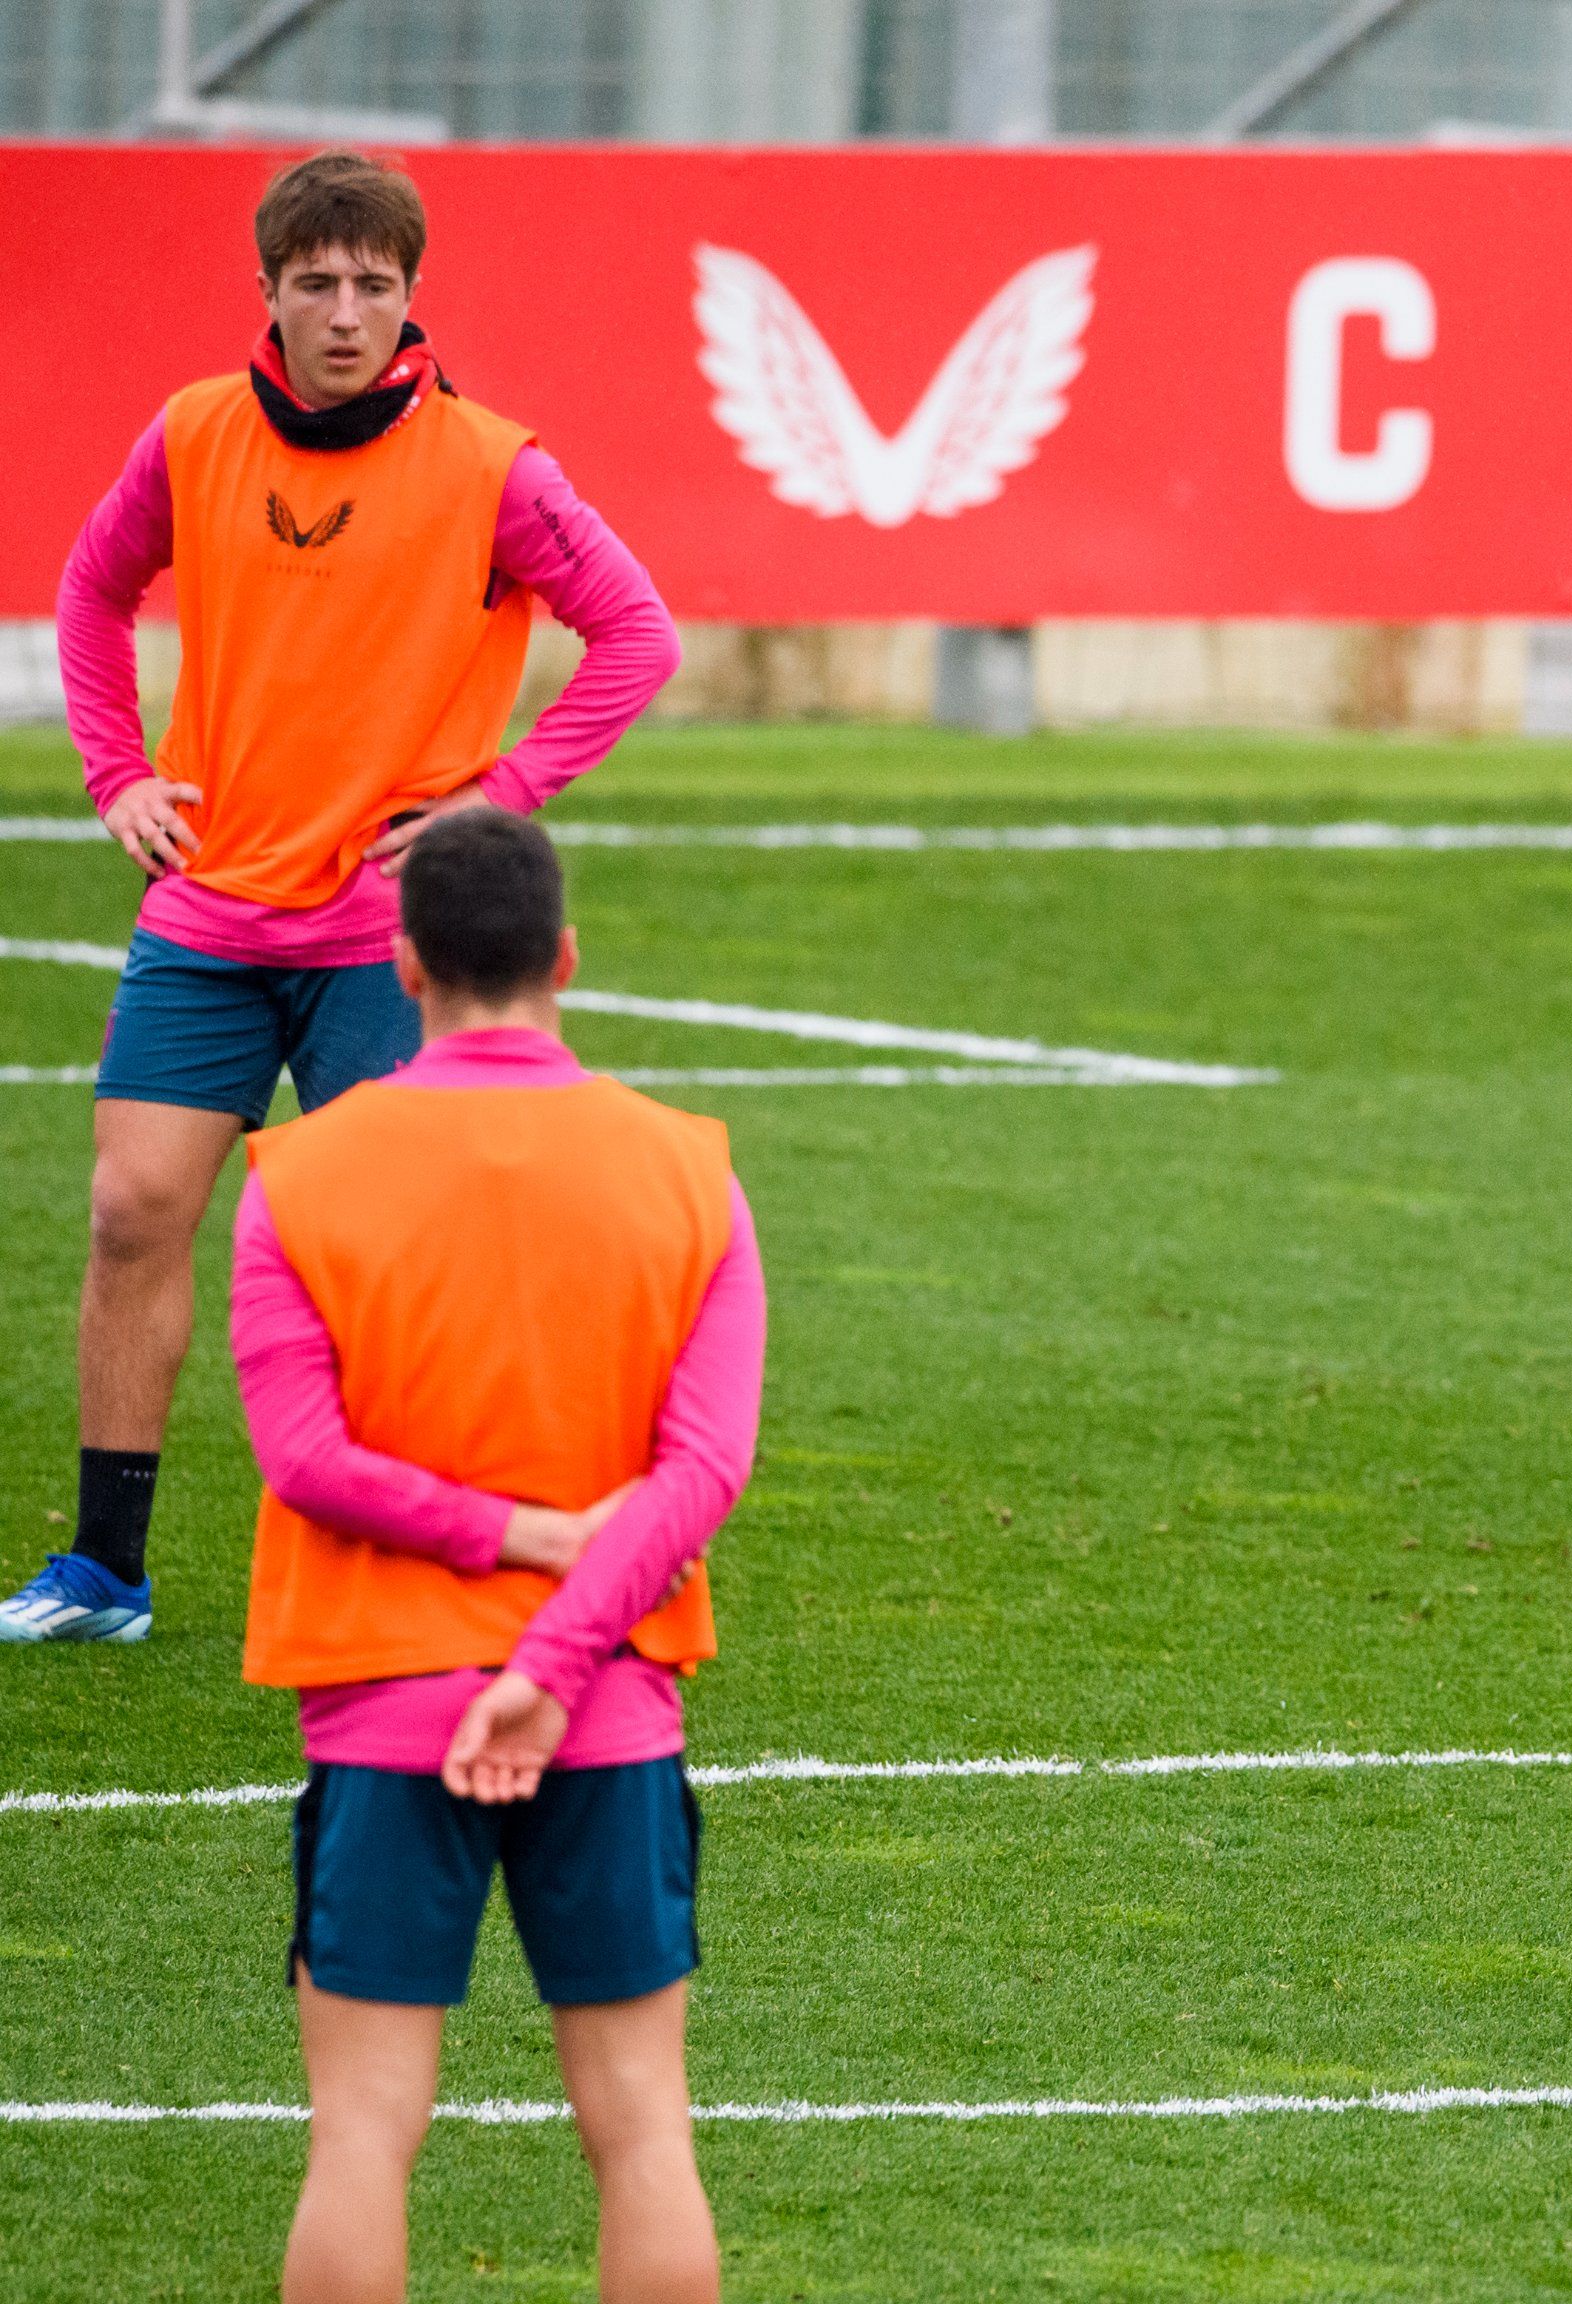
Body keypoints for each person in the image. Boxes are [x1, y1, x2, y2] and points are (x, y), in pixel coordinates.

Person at [2, 149, 680, 1647]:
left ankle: (446, 1555)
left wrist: (501, 793)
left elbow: (637, 634)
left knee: (390, 1258)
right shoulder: (191, 433)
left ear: (410, 294)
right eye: (317, 283)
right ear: (269, 291)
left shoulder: (496, 465)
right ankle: (103, 1573)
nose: (347, 313)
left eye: (374, 284)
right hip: (207, 914)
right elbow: (92, 588)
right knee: (131, 1213)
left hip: (382, 936)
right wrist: (117, 773)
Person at [238, 811, 757, 2304]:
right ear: (566, 958)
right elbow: (703, 1473)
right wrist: (550, 1657)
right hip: (608, 1708)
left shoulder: (301, 1172)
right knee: (644, 2129)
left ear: (402, 965)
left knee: (360, 2136)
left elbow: (305, 1459)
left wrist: (497, 1542)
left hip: (383, 1707)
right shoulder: (688, 1170)